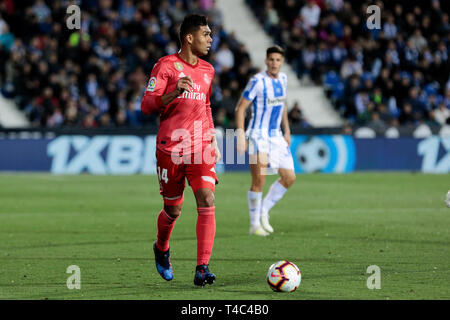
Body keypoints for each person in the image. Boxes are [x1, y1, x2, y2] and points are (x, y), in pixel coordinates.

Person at [140, 14, 221, 286]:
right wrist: (174, 92)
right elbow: (147, 106)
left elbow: (206, 106)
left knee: (207, 199)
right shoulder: (166, 66)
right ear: (189, 37)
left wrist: (211, 137)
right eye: (205, 34)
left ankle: (202, 268)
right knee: (173, 210)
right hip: (170, 148)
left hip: (199, 145)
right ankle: (161, 248)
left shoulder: (208, 70)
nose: (210, 39)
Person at [235, 45, 296, 236]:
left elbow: (282, 105)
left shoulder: (284, 79)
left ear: (282, 62)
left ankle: (264, 210)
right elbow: (240, 109)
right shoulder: (258, 81)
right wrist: (240, 135)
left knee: (289, 177)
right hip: (257, 135)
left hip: (276, 136)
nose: (274, 63)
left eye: (278, 60)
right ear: (266, 61)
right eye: (271, 59)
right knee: (259, 180)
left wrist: (286, 130)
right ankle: (254, 225)